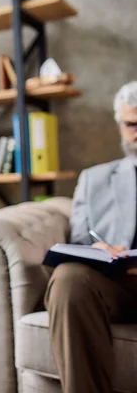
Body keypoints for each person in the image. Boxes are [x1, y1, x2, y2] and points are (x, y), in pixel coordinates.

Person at [45, 80, 137, 393]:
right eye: (131, 124)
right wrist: (100, 249)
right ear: (120, 125)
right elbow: (82, 241)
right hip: (119, 283)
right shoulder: (94, 180)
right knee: (69, 278)